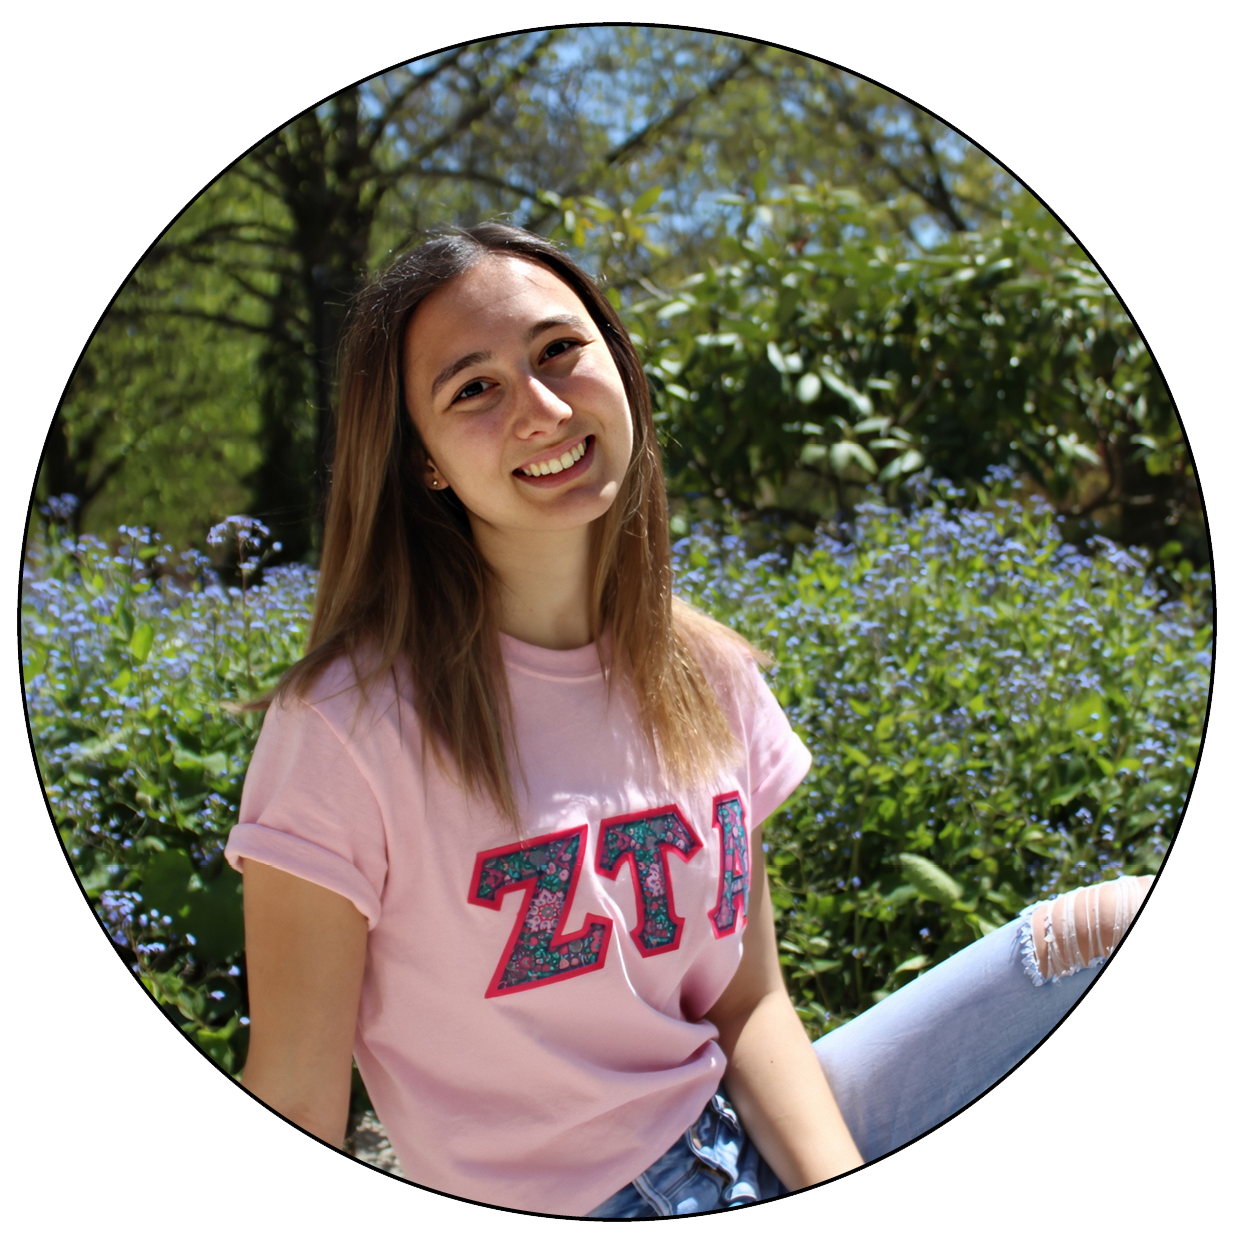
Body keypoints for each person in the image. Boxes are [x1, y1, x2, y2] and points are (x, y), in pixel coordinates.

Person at [225, 222, 1153, 1218]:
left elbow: (747, 1003)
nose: (540, 407)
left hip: (736, 1144)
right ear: (424, 463)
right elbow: (299, 1109)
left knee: (1120, 930)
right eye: (473, 389)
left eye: (557, 352)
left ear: (616, 365)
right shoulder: (347, 729)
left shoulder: (706, 671)